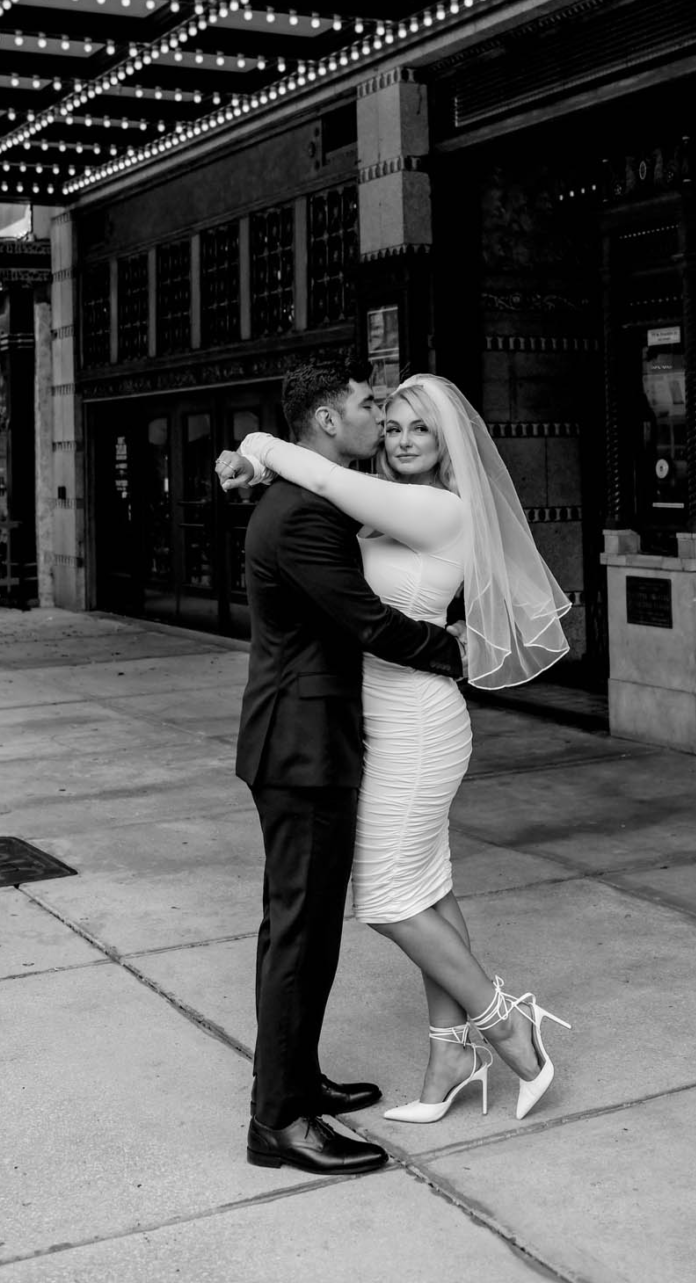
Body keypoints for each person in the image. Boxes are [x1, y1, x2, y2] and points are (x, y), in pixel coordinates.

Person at [218, 370, 573, 1138]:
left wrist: (254, 444)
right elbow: (316, 494)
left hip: (415, 721)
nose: (399, 436)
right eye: (391, 422)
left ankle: (506, 1023)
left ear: (450, 448)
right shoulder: (374, 507)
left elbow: (313, 468)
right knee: (429, 890)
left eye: (418, 428)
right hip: (374, 722)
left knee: (385, 899)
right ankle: (451, 1058)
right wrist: (253, 467)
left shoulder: (439, 506)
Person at [223, 355, 467, 1179]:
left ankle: (298, 1080)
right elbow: (366, 621)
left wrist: (250, 452)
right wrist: (450, 648)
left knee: (307, 929)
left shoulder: (307, 498)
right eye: (370, 407)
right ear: (328, 422)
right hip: (303, 747)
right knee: (298, 933)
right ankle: (279, 1122)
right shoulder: (303, 516)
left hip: (310, 740)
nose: (380, 419)